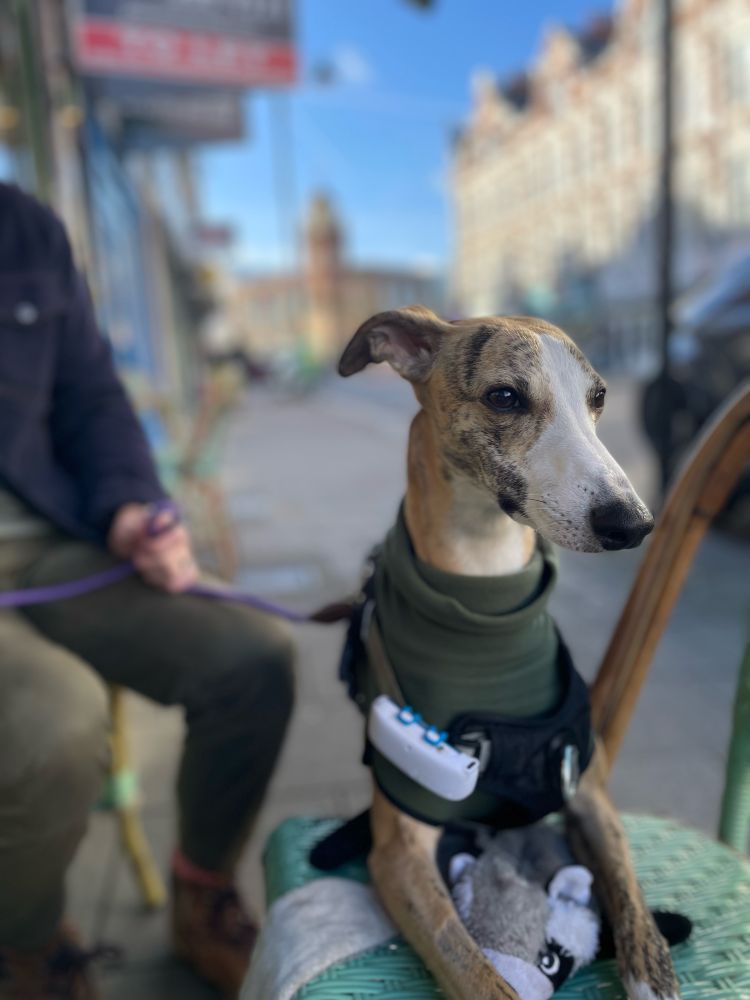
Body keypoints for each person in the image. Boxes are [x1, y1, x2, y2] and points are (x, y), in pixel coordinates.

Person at [0, 183, 295, 999]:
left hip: (58, 545)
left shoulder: (24, 229)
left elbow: (91, 397)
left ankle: (200, 895)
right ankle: (28, 946)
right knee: (58, 727)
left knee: (255, 656)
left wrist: (133, 505)